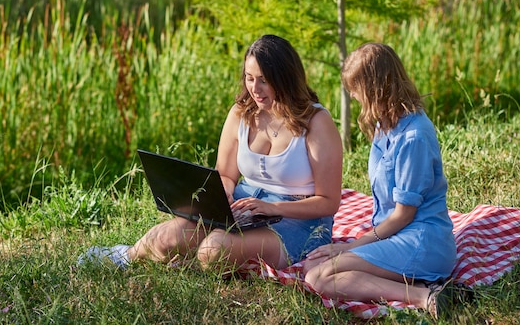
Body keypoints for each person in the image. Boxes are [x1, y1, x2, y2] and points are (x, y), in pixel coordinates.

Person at [79, 34, 343, 272]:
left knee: (213, 251)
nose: (255, 88)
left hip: (300, 221)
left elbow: (329, 201)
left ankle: (192, 262)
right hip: (244, 206)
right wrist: (223, 195)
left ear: (284, 78)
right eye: (249, 78)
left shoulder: (316, 121)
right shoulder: (241, 113)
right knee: (169, 239)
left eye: (264, 80)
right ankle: (127, 256)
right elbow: (226, 175)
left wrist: (271, 207)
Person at [302, 42, 459, 319]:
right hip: (394, 235)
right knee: (314, 272)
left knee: (321, 276)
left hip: (420, 240)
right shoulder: (384, 124)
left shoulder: (414, 136)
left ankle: (427, 296)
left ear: (377, 88)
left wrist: (351, 246)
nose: (353, 95)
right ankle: (416, 285)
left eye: (356, 88)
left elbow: (403, 215)